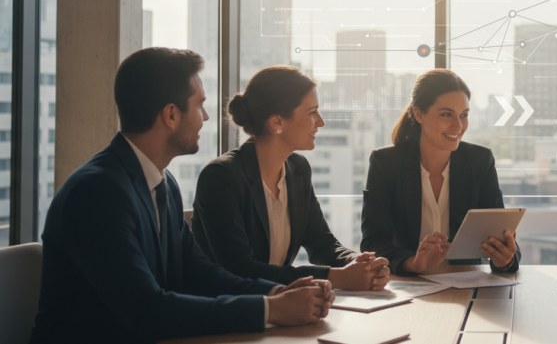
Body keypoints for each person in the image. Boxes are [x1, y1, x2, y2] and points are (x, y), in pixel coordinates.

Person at [30, 48, 333, 344]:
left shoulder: (164, 183)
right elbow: (146, 311)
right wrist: (272, 309)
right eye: (199, 105)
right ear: (171, 115)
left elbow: (198, 272)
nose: (205, 116)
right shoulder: (97, 192)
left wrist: (277, 293)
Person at [192, 66, 389, 290]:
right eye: (312, 112)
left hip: (280, 305)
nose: (321, 122)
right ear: (277, 122)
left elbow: (321, 243)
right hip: (232, 311)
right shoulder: (221, 177)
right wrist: (336, 277)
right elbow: (240, 268)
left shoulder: (297, 168)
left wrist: (359, 263)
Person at [361, 69, 521, 275]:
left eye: (464, 115)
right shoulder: (386, 163)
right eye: (446, 114)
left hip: (467, 281)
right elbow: (373, 241)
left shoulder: (479, 161)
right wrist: (414, 263)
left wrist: (505, 259)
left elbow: (502, 237)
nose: (458, 125)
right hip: (409, 283)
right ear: (419, 114)